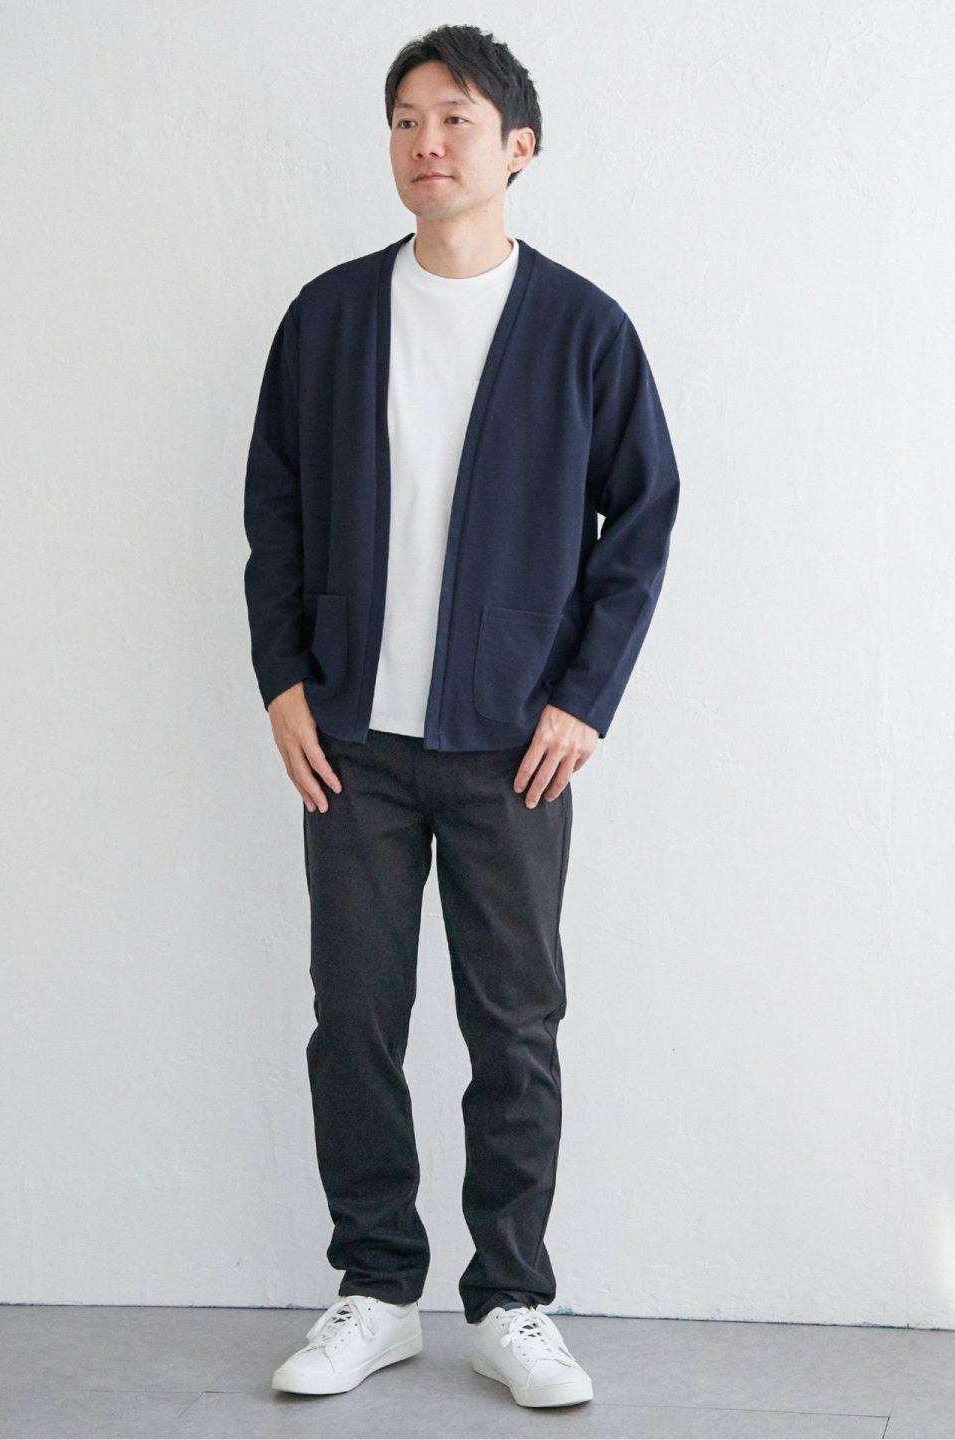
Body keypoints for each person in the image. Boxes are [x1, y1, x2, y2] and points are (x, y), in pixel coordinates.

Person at [244, 23, 680, 1410]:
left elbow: (642, 524)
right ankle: (377, 1289)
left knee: (514, 1024)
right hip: (352, 743)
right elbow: (274, 512)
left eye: (456, 119)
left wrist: (585, 701)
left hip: (512, 747)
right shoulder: (328, 318)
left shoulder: (583, 329)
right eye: (405, 120)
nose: (426, 143)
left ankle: (511, 1299)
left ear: (517, 148)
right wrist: (282, 680)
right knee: (355, 1020)